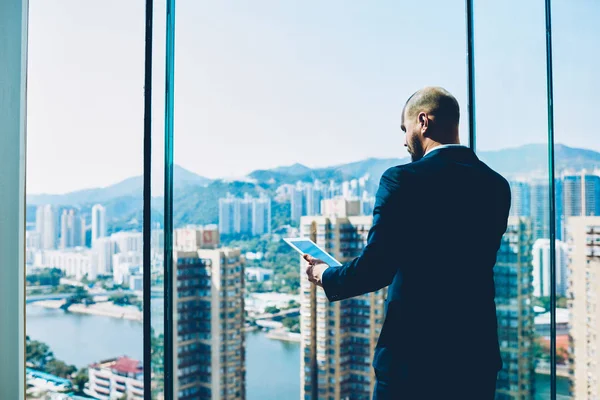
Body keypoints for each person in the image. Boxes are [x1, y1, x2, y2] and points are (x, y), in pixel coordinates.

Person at [304, 87, 511, 399]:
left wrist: (325, 275)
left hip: (412, 360)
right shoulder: (497, 185)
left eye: (405, 129)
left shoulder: (402, 180)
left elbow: (375, 269)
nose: (403, 140)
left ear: (423, 121)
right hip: (475, 357)